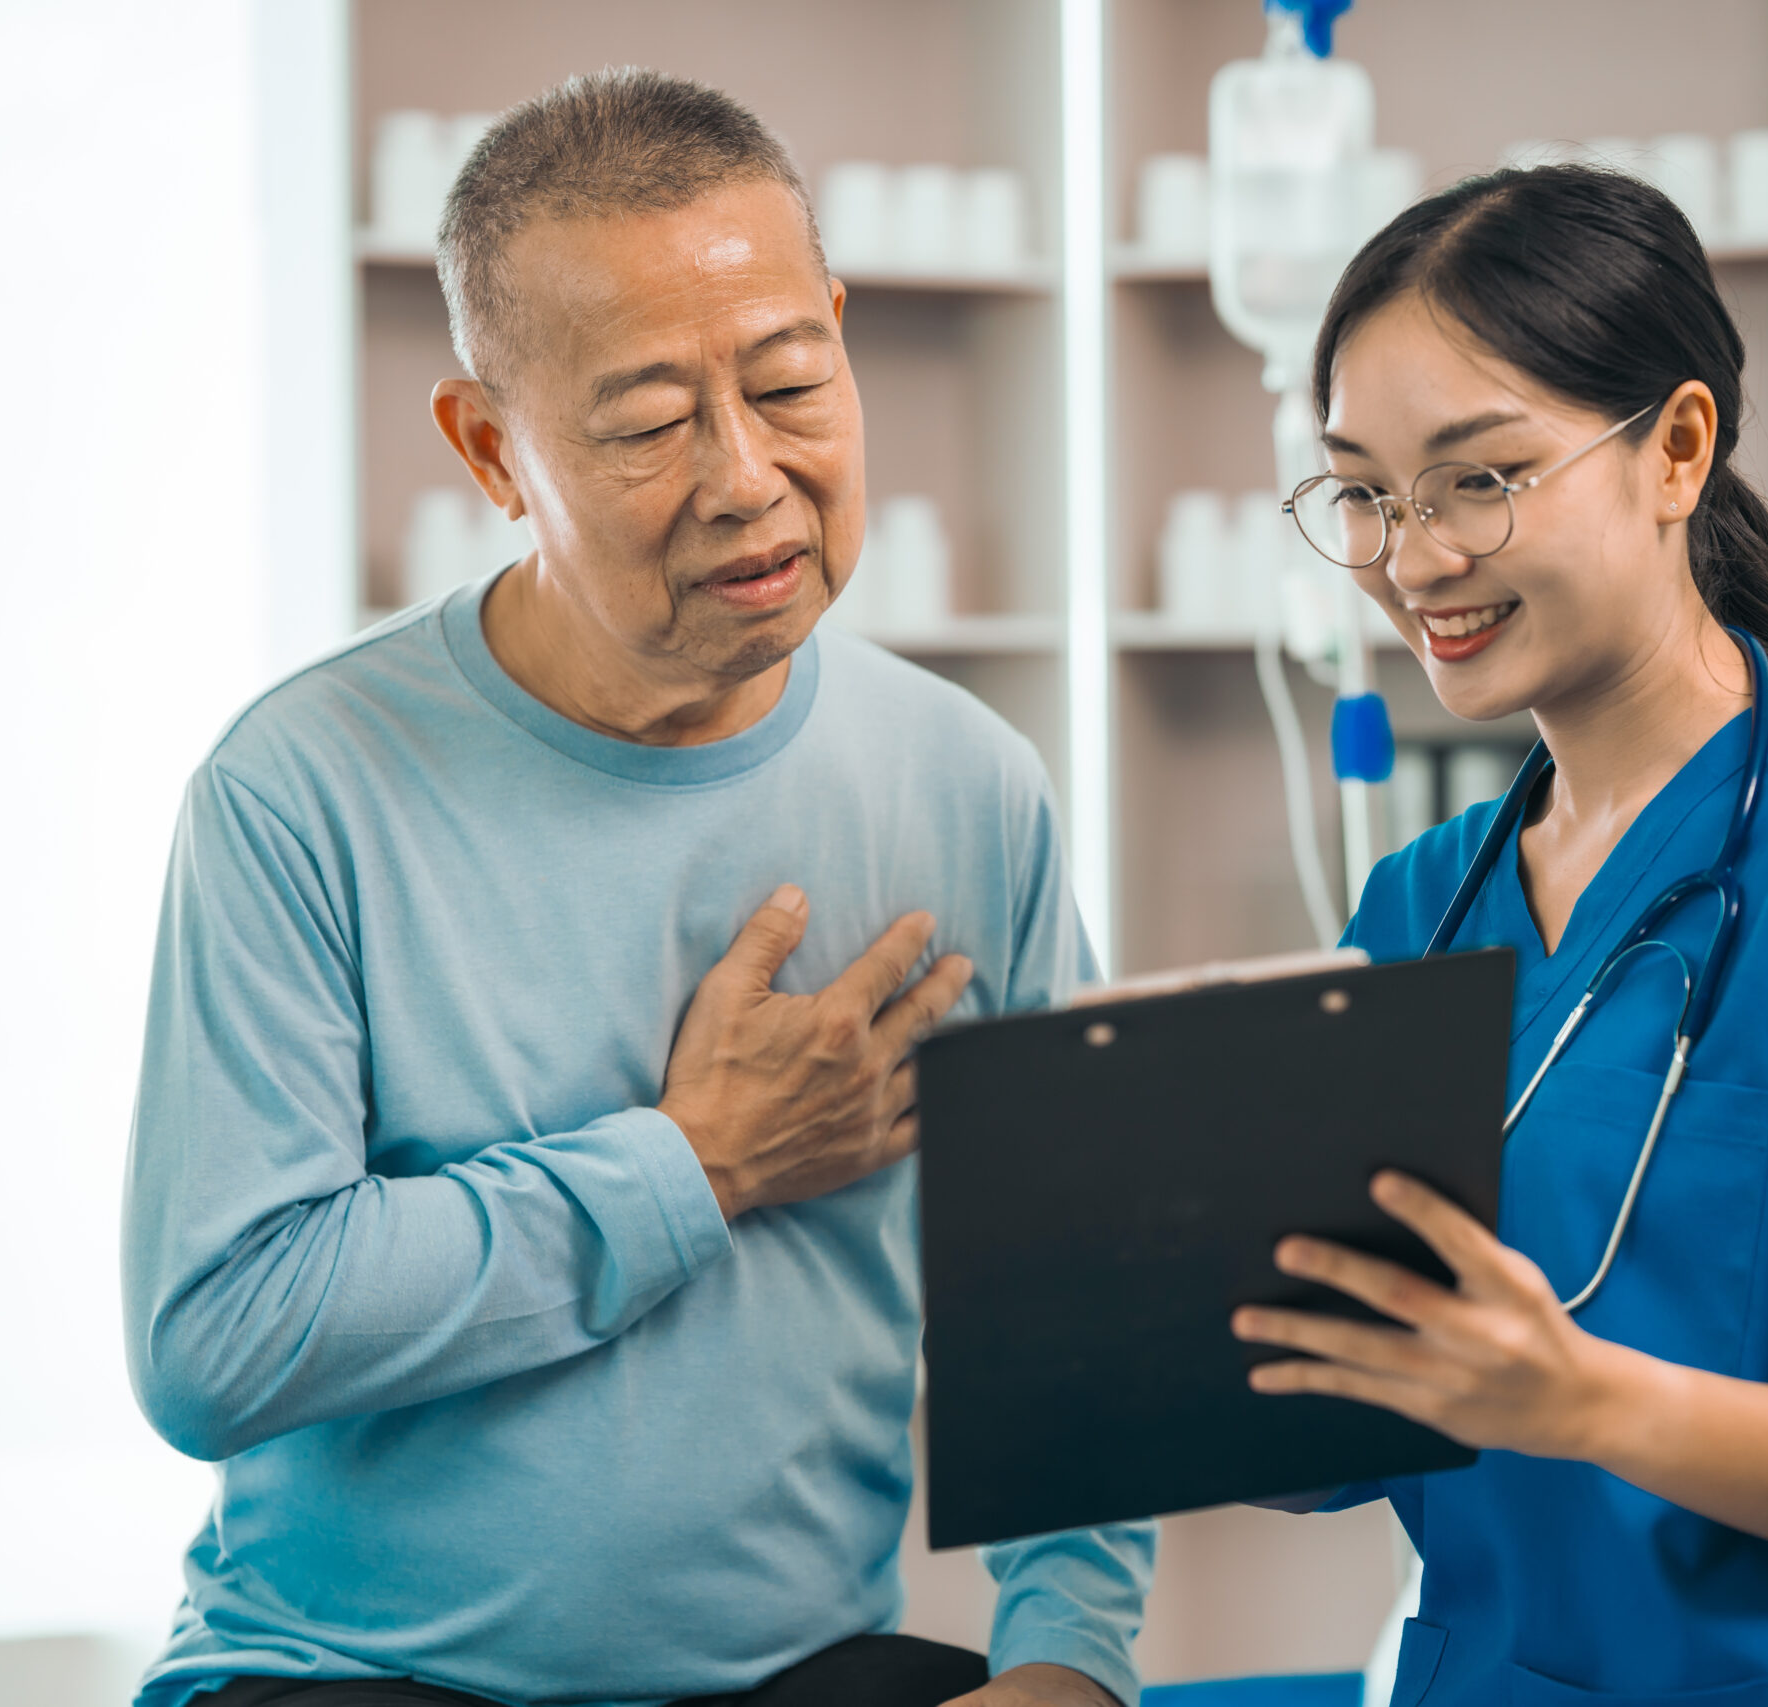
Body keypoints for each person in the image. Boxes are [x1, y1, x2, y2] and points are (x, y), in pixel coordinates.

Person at [121, 68, 1152, 1707]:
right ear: (492, 450)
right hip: (359, 1674)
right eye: (651, 425)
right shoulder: (300, 791)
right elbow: (217, 1339)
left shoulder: (967, 782)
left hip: (796, 1671)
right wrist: (694, 1164)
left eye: (793, 384)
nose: (748, 477)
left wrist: (1069, 1659)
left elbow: (1079, 1294)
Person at [1227, 167, 1768, 1702]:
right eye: (1366, 493)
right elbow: (1348, 1431)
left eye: (1479, 478)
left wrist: (1575, 1398)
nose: (1415, 558)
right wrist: (1178, 1357)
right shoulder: (1419, 910)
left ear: (1678, 450)